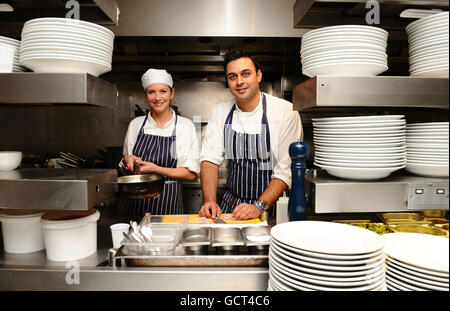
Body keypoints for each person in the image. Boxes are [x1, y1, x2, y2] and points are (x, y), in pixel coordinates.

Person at [199, 49, 303, 220]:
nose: (239, 81)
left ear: (258, 76)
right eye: (233, 77)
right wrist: (209, 200)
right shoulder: (221, 111)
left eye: (245, 74)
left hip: (271, 208)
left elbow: (286, 170)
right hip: (231, 207)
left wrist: (258, 206)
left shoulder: (285, 111)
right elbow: (210, 159)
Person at [118, 68, 200, 217]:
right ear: (146, 95)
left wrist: (156, 169)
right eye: (151, 92)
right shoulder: (136, 124)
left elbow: (190, 174)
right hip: (134, 202)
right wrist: (127, 159)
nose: (157, 97)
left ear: (172, 93)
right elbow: (126, 164)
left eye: (163, 91)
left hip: (168, 203)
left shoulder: (185, 126)